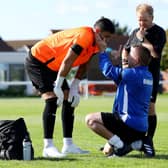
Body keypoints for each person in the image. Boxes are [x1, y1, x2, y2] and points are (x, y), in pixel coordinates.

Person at [25, 17, 115, 158]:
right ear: (97, 32)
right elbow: (69, 60)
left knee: (69, 98)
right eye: (106, 37)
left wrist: (74, 87)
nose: (107, 41)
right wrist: (59, 86)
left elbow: (85, 64)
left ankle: (68, 145)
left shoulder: (97, 44)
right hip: (38, 60)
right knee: (52, 99)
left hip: (55, 67)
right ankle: (48, 147)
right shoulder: (85, 35)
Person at [85, 38, 155, 157]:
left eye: (130, 56)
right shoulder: (148, 75)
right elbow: (123, 84)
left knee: (90, 119)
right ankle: (138, 143)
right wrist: (121, 58)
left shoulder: (131, 74)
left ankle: (122, 145)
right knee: (107, 151)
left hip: (128, 125)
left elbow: (107, 70)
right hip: (140, 128)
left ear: (137, 60)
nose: (127, 58)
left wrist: (103, 52)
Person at [124, 3, 166, 144]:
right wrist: (124, 64)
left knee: (149, 108)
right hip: (134, 77)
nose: (142, 23)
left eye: (145, 20)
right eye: (139, 20)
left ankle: (149, 140)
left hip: (150, 77)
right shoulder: (135, 31)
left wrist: (142, 39)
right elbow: (126, 49)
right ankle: (131, 139)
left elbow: (155, 53)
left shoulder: (159, 32)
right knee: (132, 108)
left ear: (152, 18)